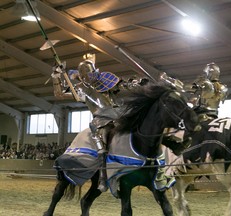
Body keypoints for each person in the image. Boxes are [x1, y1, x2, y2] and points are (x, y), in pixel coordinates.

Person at [51, 54, 159, 192]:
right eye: (85, 74)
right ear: (81, 76)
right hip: (100, 119)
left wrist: (137, 84)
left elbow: (123, 85)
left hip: (118, 114)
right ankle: (103, 175)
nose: (89, 76)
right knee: (103, 137)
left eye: (90, 72)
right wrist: (56, 77)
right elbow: (59, 94)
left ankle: (151, 165)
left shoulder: (105, 81)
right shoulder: (81, 89)